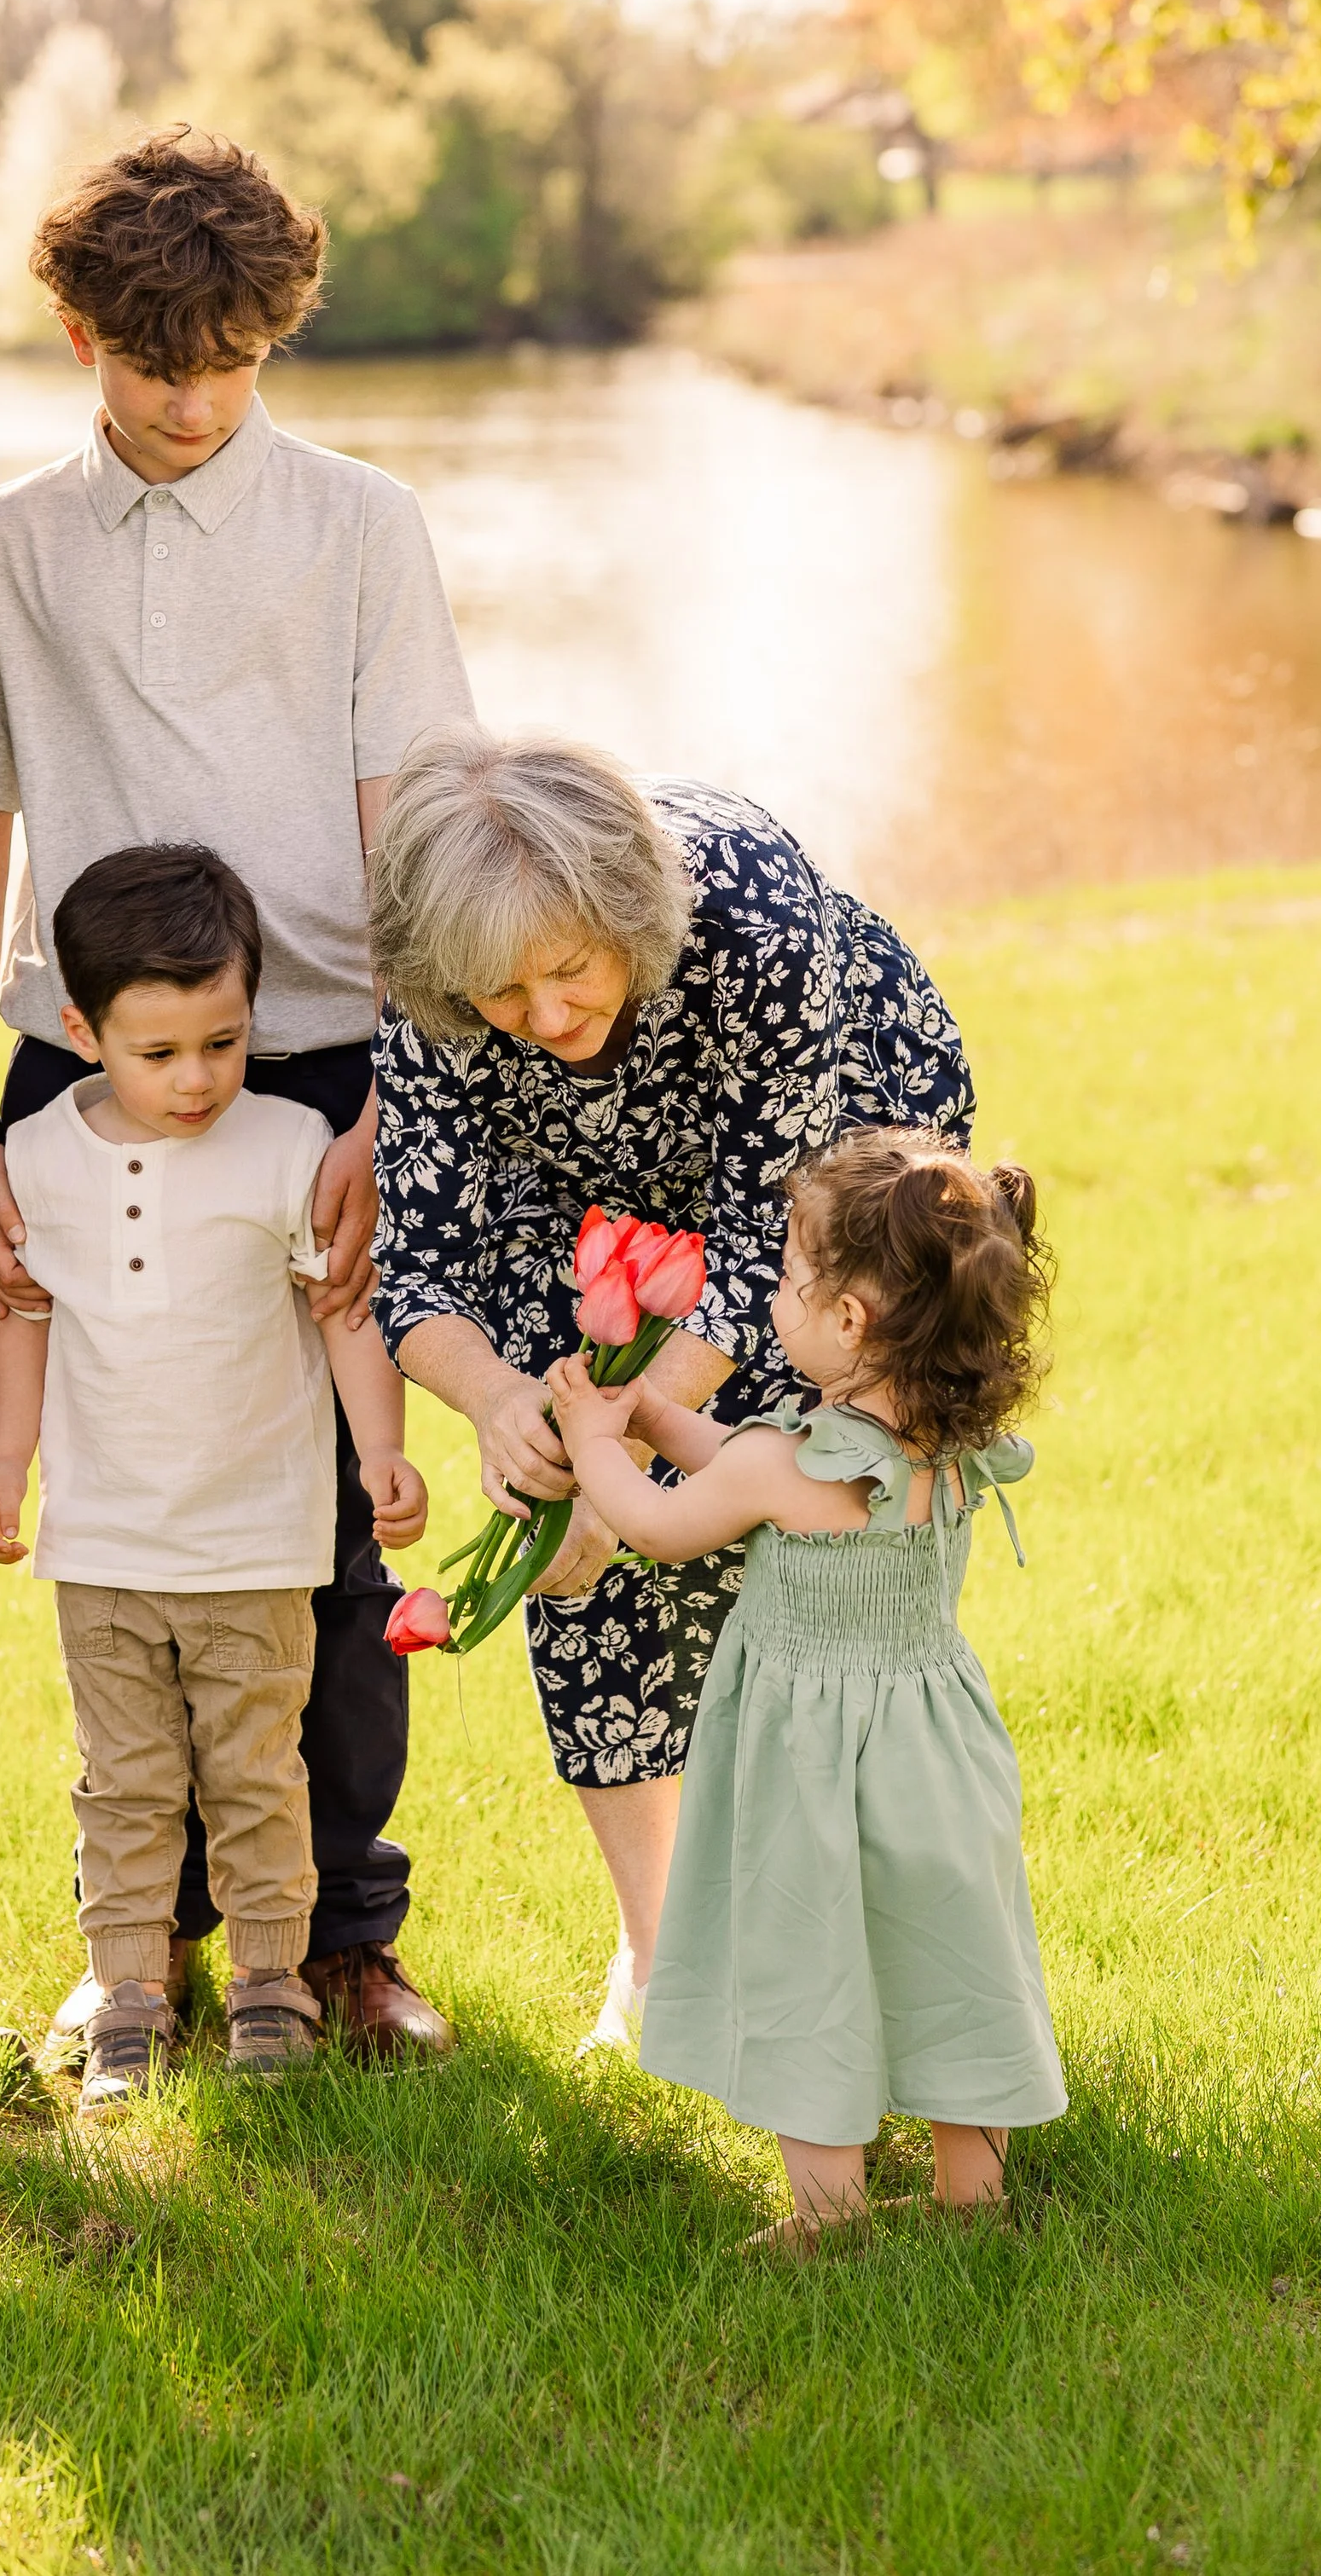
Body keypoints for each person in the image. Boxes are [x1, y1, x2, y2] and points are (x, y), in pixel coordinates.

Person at [0, 128, 472, 2064]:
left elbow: (411, 825)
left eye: (229, 360)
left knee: (330, 1522)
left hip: (321, 1067)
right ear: (75, 332)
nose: (189, 398)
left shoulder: (358, 526)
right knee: (136, 1513)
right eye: (153, 361)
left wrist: (400, 1096)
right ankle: (137, 1955)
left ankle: (339, 1944)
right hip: (75, 1078)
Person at [366, 727, 975, 2058]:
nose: (548, 1016)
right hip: (567, 1196)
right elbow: (416, 1265)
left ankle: (855, 1944)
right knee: (586, 1566)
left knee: (802, 1534)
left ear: (625, 915)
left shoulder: (748, 911)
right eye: (503, 997)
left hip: (826, 1173)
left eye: (571, 970)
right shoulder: (440, 992)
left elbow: (770, 1239)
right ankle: (667, 1967)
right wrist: (507, 1409)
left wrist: (625, 1439)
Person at [0, 845, 426, 2109]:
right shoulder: (38, 1157)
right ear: (81, 1029)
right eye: (158, 1052)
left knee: (258, 1768)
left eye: (222, 1043)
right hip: (103, 1546)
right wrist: (9, 1463)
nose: (196, 1079)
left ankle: (274, 1984)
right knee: (123, 1780)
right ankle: (130, 1996)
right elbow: (24, 1317)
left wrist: (380, 1448)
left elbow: (342, 1312)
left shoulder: (289, 1143)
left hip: (259, 1543)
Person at [548, 1128, 1067, 2250]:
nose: (773, 1295)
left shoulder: (781, 1468)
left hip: (810, 1766)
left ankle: (827, 2217)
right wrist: (653, 1418)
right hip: (938, 1753)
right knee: (947, 1951)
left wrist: (595, 1439)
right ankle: (972, 2197)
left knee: (808, 1961)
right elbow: (741, 1450)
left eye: (787, 1276)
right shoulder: (948, 1444)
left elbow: (656, 1523)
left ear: (849, 1323)